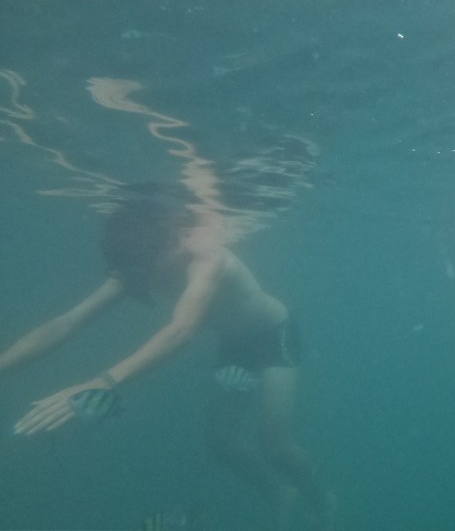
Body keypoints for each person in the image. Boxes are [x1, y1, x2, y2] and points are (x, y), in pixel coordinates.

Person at [0, 188, 335, 531]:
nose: (147, 279)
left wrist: (103, 383)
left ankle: (321, 498)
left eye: (149, 268)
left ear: (172, 242)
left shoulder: (207, 260)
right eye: (139, 270)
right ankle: (279, 493)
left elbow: (182, 330)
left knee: (277, 446)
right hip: (234, 344)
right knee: (221, 443)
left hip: (273, 336)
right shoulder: (143, 264)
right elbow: (68, 322)